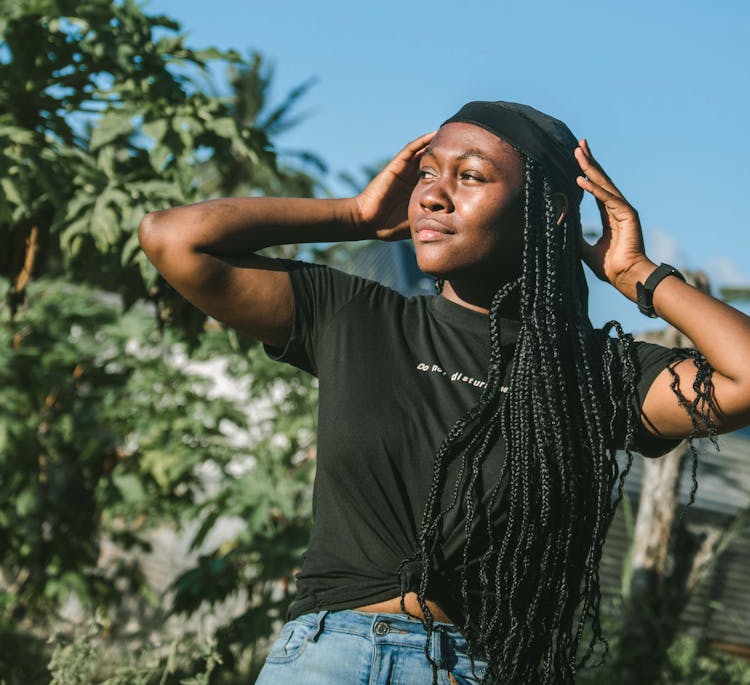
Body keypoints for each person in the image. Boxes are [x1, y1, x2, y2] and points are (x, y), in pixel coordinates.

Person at [138, 101, 750, 684]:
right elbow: (173, 239)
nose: (431, 194)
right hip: (325, 656)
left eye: (471, 177)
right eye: (427, 174)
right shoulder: (356, 316)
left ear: (552, 212)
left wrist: (636, 273)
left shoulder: (596, 375)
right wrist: (353, 216)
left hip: (475, 667)